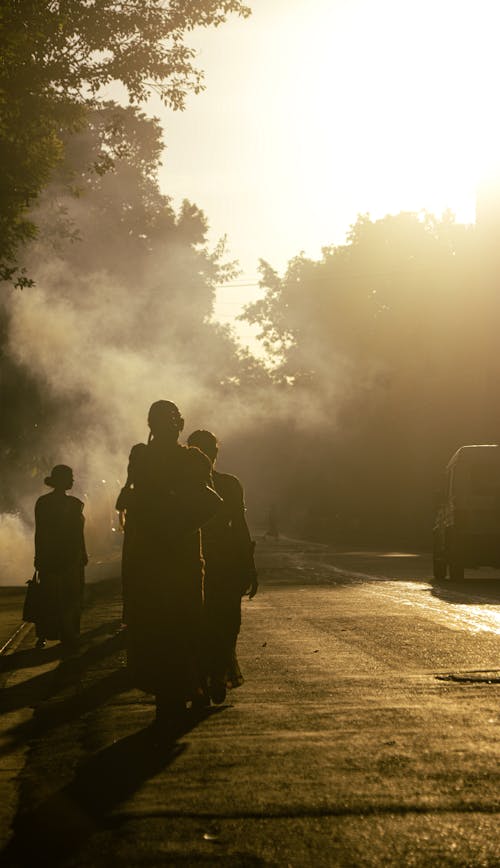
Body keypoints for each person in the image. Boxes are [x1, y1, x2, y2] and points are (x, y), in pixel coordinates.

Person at [116, 401, 221, 731]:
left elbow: (209, 502)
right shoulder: (167, 458)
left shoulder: (173, 459)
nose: (166, 427)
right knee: (174, 623)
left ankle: (173, 693)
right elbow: (210, 503)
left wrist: (169, 524)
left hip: (159, 555)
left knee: (164, 625)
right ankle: (176, 692)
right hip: (171, 555)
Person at [187, 429, 257, 704]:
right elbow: (239, 527)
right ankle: (211, 678)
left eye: (210, 451)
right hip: (204, 564)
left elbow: (239, 526)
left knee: (221, 624)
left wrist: (248, 564)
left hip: (214, 564)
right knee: (219, 625)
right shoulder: (187, 488)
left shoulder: (228, 485)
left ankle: (211, 678)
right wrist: (248, 565)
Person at [33, 464, 87, 653]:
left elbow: (40, 533)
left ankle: (48, 633)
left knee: (50, 596)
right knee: (70, 597)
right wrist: (83, 553)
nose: (73, 480)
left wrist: (39, 555)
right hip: (70, 557)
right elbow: (78, 534)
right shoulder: (73, 504)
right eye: (70, 477)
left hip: (52, 556)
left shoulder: (43, 503)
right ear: (63, 480)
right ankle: (69, 634)